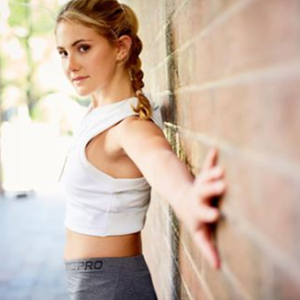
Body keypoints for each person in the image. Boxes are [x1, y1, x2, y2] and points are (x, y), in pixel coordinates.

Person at [55, 0, 226, 299]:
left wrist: (188, 199)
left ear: (121, 48)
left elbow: (157, 157)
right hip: (96, 281)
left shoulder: (128, 126)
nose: (70, 65)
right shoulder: (98, 114)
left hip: (109, 285)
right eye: (63, 52)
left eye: (83, 48)